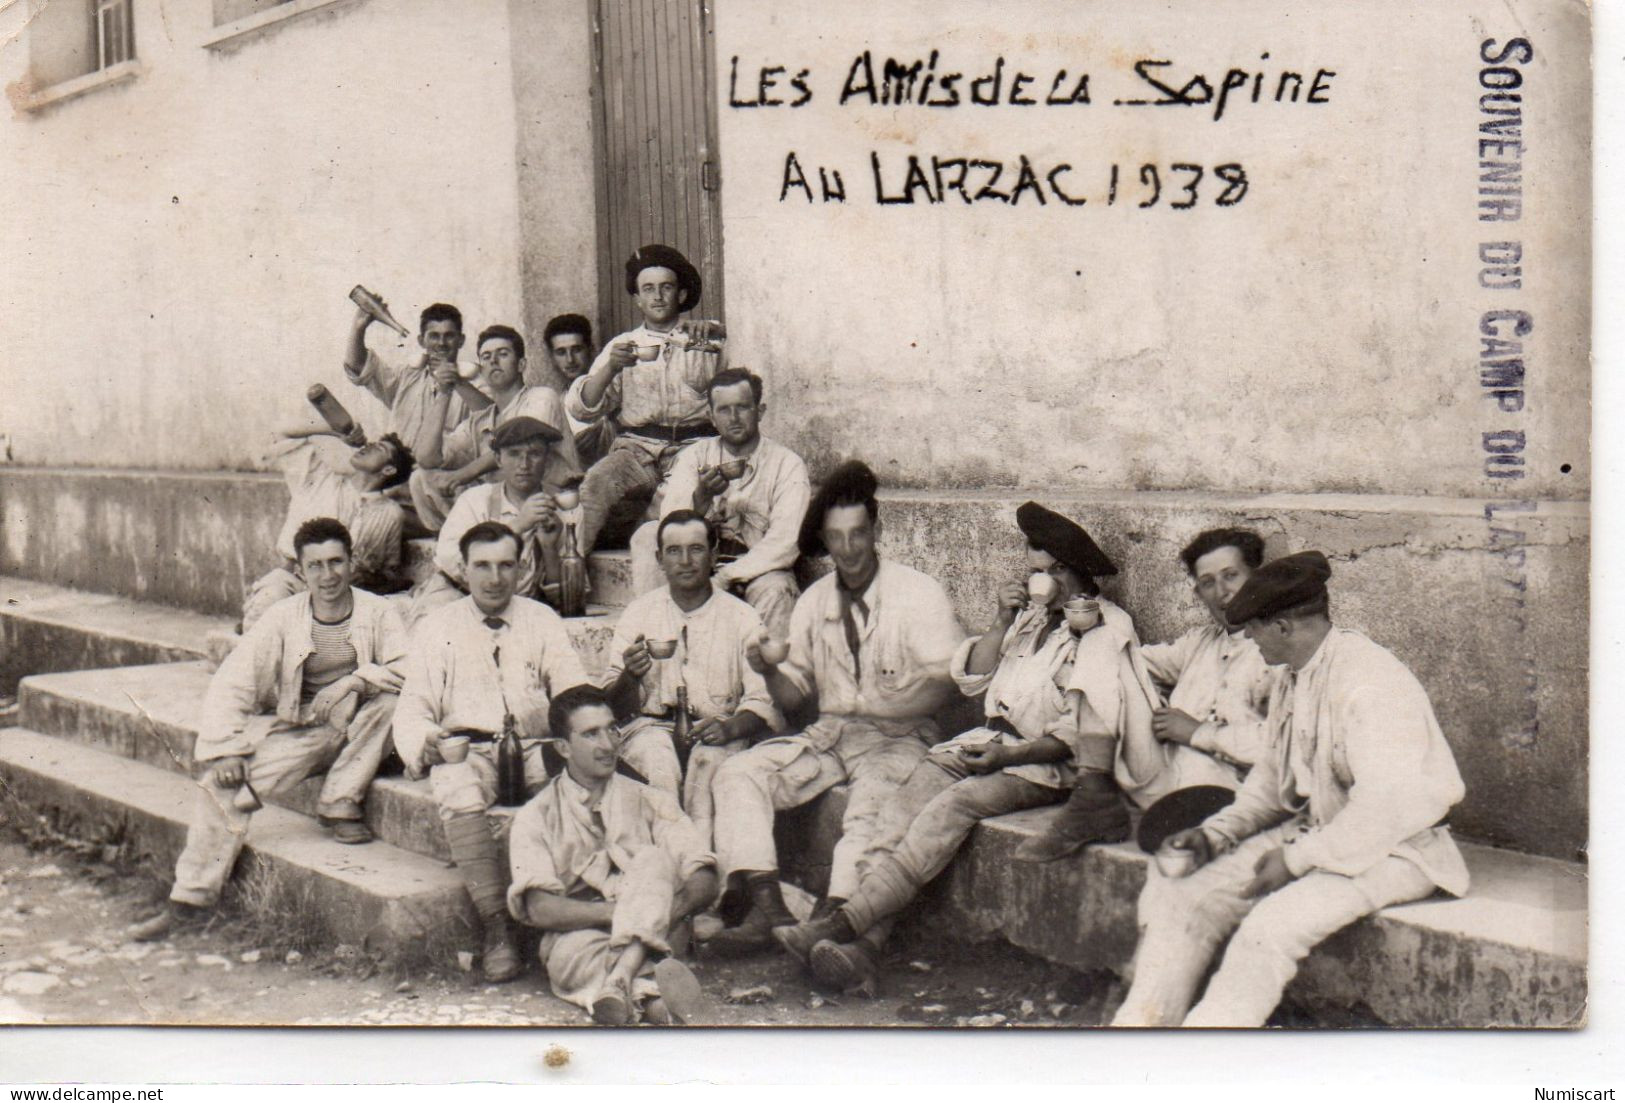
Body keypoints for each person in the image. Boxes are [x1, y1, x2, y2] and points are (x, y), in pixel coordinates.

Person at [770, 503, 1125, 992]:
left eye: (1052, 571)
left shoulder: (1105, 628)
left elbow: (1083, 725)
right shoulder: (1032, 618)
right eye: (1035, 571)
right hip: (989, 743)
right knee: (904, 804)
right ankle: (861, 948)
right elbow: (974, 680)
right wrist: (1002, 620)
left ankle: (843, 926)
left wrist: (1011, 756)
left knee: (952, 806)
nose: (1042, 582)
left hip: (1042, 763)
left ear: (1077, 572)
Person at [1109, 551, 1470, 1027]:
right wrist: (1215, 835)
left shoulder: (1372, 683)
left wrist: (1296, 860)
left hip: (1401, 851)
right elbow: (1268, 786)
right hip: (1321, 833)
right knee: (1186, 893)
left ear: (1281, 628)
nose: (1249, 640)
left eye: (1253, 629)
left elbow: (1384, 810)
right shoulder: (1292, 677)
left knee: (1269, 928)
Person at [704, 460, 966, 955]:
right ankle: (769, 909)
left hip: (902, 737)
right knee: (738, 774)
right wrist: (766, 670)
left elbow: (949, 685)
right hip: (832, 735)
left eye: (858, 534)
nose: (848, 550)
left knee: (868, 813)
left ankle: (832, 924)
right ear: (824, 541)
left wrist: (888, 708)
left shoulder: (917, 593)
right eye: (836, 538)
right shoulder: (814, 601)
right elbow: (794, 696)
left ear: (876, 530)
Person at [130, 519, 407, 940]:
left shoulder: (379, 612)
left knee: (390, 701)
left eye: (336, 562)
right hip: (310, 732)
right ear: (301, 570)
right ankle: (189, 901)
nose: (328, 575)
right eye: (315, 566)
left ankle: (339, 800)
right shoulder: (284, 618)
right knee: (222, 788)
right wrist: (226, 750)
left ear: (352, 563)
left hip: (370, 729)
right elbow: (235, 681)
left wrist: (354, 681)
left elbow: (407, 670)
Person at [393, 521, 593, 982]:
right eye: (482, 566)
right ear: (463, 569)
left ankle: (568, 916)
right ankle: (496, 925)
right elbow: (414, 708)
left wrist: (570, 731)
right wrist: (430, 741)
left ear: (521, 568)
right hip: (471, 750)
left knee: (571, 789)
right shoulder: (437, 626)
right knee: (455, 784)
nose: (494, 577)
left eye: (506, 565)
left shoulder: (541, 619)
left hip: (533, 744)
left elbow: (571, 690)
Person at [1018, 527, 1279, 860]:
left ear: (1257, 577)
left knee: (1105, 644)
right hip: (1163, 778)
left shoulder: (1279, 651)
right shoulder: (1200, 642)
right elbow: (1124, 662)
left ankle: (1200, 822)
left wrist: (1199, 732)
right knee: (1102, 640)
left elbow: (1283, 746)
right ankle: (1093, 797)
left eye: (1231, 576)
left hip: (1231, 788)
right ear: (1197, 592)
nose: (1222, 592)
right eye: (1208, 582)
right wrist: (1083, 631)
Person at [506, 685, 718, 1025]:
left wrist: (663, 911)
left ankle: (621, 984)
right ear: (562, 747)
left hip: (661, 927)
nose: (608, 745)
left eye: (612, 729)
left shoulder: (652, 800)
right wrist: (628, 913)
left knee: (651, 859)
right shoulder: (536, 815)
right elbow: (540, 908)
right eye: (591, 734)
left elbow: (704, 877)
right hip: (583, 936)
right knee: (568, 956)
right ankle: (655, 1002)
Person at [602, 510, 777, 832]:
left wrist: (731, 728)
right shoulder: (639, 613)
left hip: (716, 727)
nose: (685, 560)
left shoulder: (742, 618)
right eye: (673, 551)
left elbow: (762, 700)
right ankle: (676, 862)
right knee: (659, 768)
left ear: (713, 555)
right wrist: (630, 676)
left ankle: (702, 865)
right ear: (659, 559)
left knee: (706, 769)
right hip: (651, 728)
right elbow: (611, 707)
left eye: (696, 549)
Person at [566, 245, 728, 554]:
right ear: (638, 298)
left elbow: (738, 382)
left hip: (692, 449)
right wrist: (611, 367)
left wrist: (718, 333)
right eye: (648, 289)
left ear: (680, 295)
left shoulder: (707, 339)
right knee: (596, 484)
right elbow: (580, 408)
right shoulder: (623, 346)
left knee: (680, 504)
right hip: (636, 450)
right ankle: (570, 575)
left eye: (666, 288)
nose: (657, 296)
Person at [627, 369, 810, 637]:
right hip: (700, 562)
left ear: (760, 411)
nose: (733, 418)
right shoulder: (695, 456)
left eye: (742, 408)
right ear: (711, 417)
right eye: (724, 410)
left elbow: (786, 541)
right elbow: (671, 522)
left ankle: (766, 675)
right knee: (646, 537)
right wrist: (700, 500)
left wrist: (726, 577)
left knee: (777, 589)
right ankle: (660, 637)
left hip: (756, 569)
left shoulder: (787, 465)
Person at [241, 418, 415, 632]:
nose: (367, 446)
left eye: (378, 448)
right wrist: (333, 429)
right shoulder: (319, 479)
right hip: (293, 582)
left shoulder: (391, 513)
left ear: (388, 470)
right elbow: (280, 433)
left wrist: (369, 577)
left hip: (343, 596)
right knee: (267, 609)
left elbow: (389, 571)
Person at [404, 416, 574, 632]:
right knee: (430, 637)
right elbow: (451, 562)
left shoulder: (565, 507)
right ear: (498, 459)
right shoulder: (475, 500)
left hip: (515, 606)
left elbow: (568, 599)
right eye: (514, 454)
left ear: (547, 460)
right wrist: (517, 526)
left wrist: (549, 548)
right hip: (457, 594)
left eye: (534, 454)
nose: (524, 464)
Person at [407, 325, 583, 532]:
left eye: (503, 354)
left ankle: (478, 540)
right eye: (486, 356)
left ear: (520, 364)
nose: (493, 361)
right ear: (481, 370)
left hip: (549, 500)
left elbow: (516, 440)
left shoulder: (541, 397)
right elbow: (427, 458)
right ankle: (458, 540)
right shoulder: (482, 420)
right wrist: (446, 390)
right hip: (503, 504)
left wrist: (460, 475)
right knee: (421, 478)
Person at [342, 300, 489, 464]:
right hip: (396, 474)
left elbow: (493, 418)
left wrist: (456, 380)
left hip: (441, 479)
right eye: (434, 336)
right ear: (421, 341)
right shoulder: (406, 376)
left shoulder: (475, 383)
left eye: (449, 336)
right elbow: (357, 366)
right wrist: (358, 327)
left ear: (461, 340)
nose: (441, 343)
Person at [541, 313, 616, 467]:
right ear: (552, 357)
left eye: (576, 350)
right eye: (561, 352)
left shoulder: (611, 395)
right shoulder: (556, 406)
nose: (570, 360)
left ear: (591, 349)